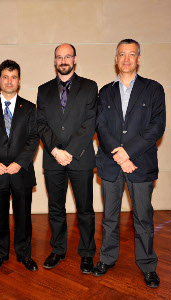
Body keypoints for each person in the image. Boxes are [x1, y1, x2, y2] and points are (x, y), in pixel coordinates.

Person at [93, 39, 166, 288]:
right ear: (116, 59)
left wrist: (128, 154)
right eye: (122, 54)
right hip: (111, 164)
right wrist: (118, 154)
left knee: (143, 218)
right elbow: (100, 126)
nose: (126, 59)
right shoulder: (105, 91)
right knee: (109, 217)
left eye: (131, 54)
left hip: (140, 164)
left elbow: (157, 126)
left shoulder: (154, 89)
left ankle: (147, 265)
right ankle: (107, 258)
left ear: (139, 59)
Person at [37, 43, 97, 273]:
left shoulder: (90, 87)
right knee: (56, 208)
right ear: (54, 61)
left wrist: (69, 152)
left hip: (80, 158)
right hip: (53, 159)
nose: (63, 60)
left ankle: (87, 253)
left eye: (67, 56)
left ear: (75, 59)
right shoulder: (43, 90)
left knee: (85, 209)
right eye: (59, 57)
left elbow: (90, 122)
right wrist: (55, 150)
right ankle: (58, 250)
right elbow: (40, 123)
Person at [0, 60, 39, 272]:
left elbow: (33, 138)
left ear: (19, 81)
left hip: (21, 173)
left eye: (13, 77)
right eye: (5, 77)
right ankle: (0, 255)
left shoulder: (29, 108)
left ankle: (24, 254)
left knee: (23, 217)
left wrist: (19, 163)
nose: (9, 81)